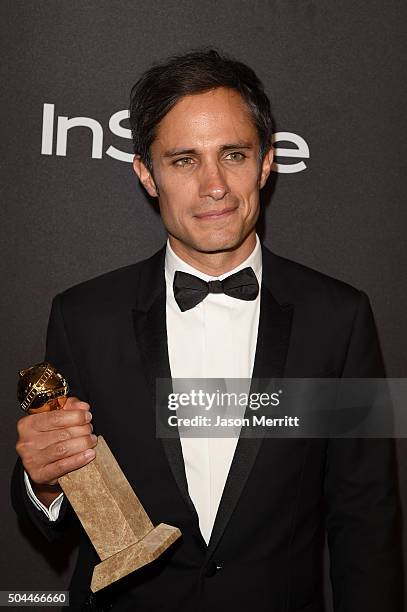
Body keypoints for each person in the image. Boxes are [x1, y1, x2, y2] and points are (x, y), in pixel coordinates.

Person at [12, 49, 403, 612]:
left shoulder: (339, 317)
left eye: (234, 155)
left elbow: (366, 520)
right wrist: (43, 484)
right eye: (184, 160)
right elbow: (54, 509)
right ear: (147, 174)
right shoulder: (83, 315)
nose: (214, 185)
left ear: (267, 163)